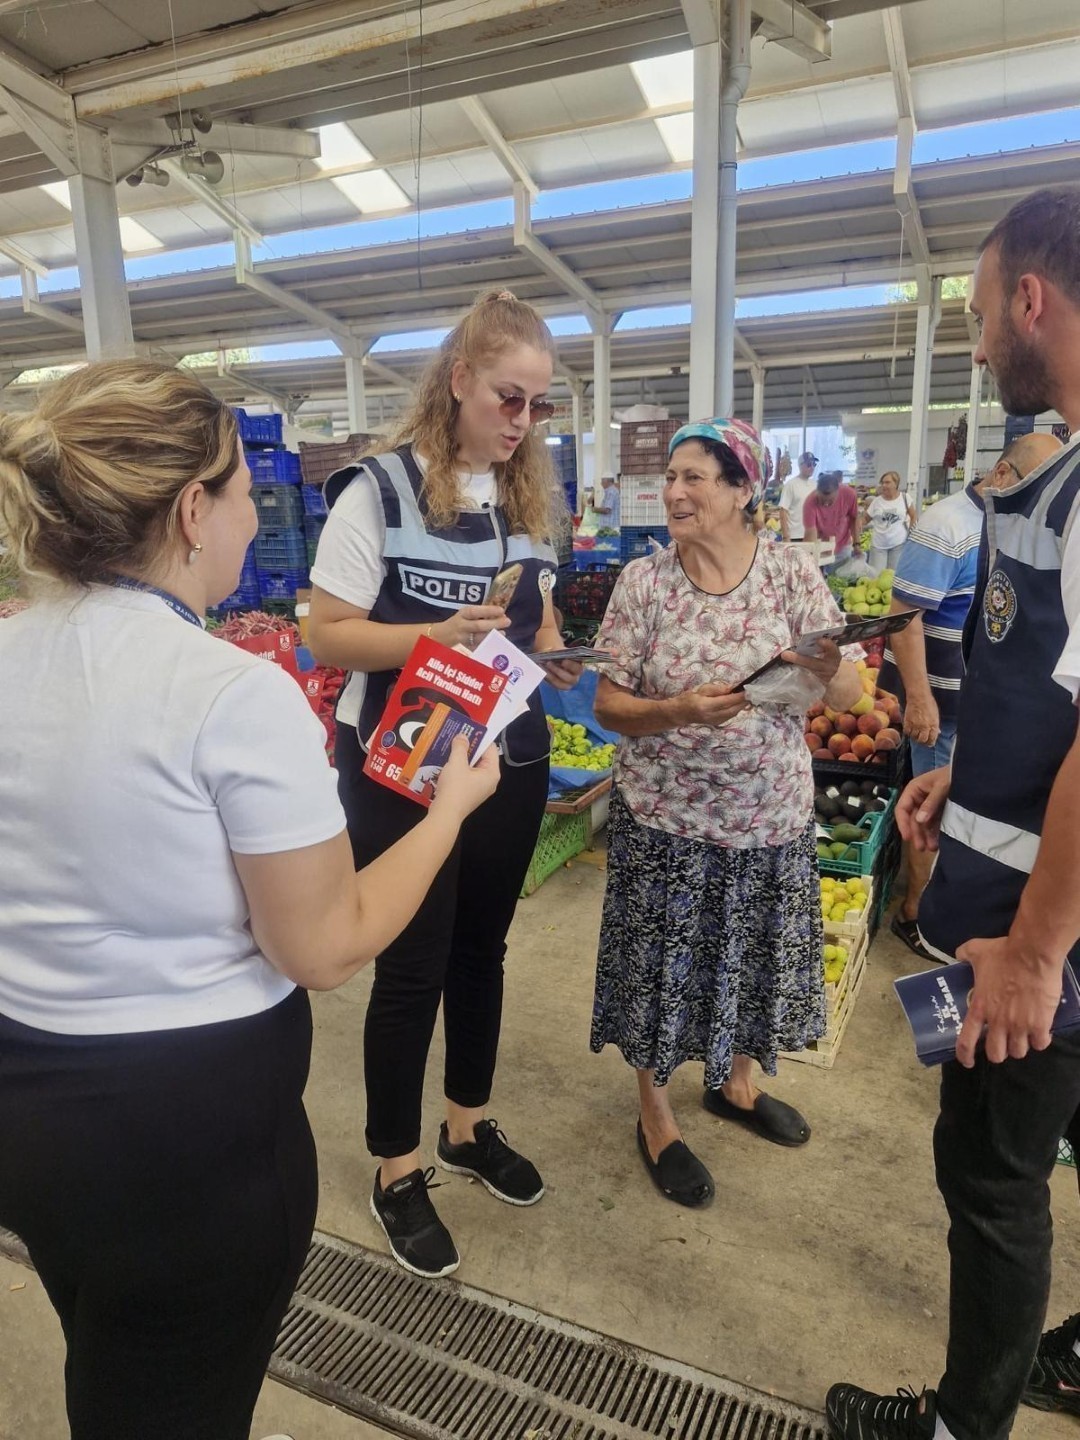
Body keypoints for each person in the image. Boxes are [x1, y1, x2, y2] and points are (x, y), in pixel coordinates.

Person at [0, 361, 499, 1440]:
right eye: (240, 493)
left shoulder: (8, 649)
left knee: (114, 1357)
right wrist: (448, 811)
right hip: (185, 1154)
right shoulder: (230, 694)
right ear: (193, 511)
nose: (249, 516)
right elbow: (323, 945)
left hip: (29, 1106)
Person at [827, 186, 1080, 1440]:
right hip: (1033, 893)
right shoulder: (1062, 483)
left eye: (982, 316)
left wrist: (1035, 952)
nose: (980, 344)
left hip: (1040, 944)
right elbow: (1050, 694)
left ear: (1032, 300)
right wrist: (964, 775)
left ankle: (960, 1426)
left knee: (992, 1181)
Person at [308, 289, 582, 1280]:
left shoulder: (527, 502)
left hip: (506, 757)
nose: (521, 422)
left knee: (482, 951)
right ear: (458, 380)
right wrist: (433, 634)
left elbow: (541, 633)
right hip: (403, 764)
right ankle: (397, 1166)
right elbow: (325, 632)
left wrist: (574, 659)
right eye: (509, 397)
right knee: (411, 962)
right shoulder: (375, 492)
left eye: (539, 407)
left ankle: (467, 1125)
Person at [590, 417, 863, 1206]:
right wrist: (676, 710)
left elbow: (846, 694)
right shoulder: (644, 583)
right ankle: (655, 1116)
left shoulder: (789, 575)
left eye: (694, 478)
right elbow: (609, 703)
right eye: (670, 478)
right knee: (658, 971)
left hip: (770, 816)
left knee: (747, 962)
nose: (673, 492)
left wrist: (828, 667)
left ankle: (737, 1085)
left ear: (743, 491)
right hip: (665, 818)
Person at [882, 431, 1062, 958]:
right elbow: (902, 615)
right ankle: (916, 912)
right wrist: (919, 698)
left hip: (982, 709)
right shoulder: (946, 524)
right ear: (1002, 475)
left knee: (963, 811)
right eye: (1039, 485)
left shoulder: (1017, 524)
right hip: (938, 702)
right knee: (930, 809)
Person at [802, 469, 860, 567]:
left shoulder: (849, 494)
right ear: (817, 492)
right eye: (822, 500)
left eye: (830, 501)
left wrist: (856, 544)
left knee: (840, 579)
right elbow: (811, 533)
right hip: (822, 547)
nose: (826, 504)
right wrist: (808, 558)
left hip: (843, 545)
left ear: (838, 492)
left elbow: (854, 518)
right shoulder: (810, 503)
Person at [864, 471, 915, 572]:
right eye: (882, 483)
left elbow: (913, 516)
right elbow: (865, 519)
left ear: (896, 484)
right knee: (875, 578)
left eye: (887, 482)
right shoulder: (876, 501)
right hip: (878, 546)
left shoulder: (905, 498)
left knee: (894, 577)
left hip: (898, 545)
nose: (884, 485)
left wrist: (911, 534)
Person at [778, 450, 817, 541]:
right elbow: (783, 511)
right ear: (800, 466)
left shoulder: (815, 485)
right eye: (809, 464)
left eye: (814, 464)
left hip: (811, 535)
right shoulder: (791, 485)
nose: (812, 467)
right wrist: (786, 536)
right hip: (794, 536)